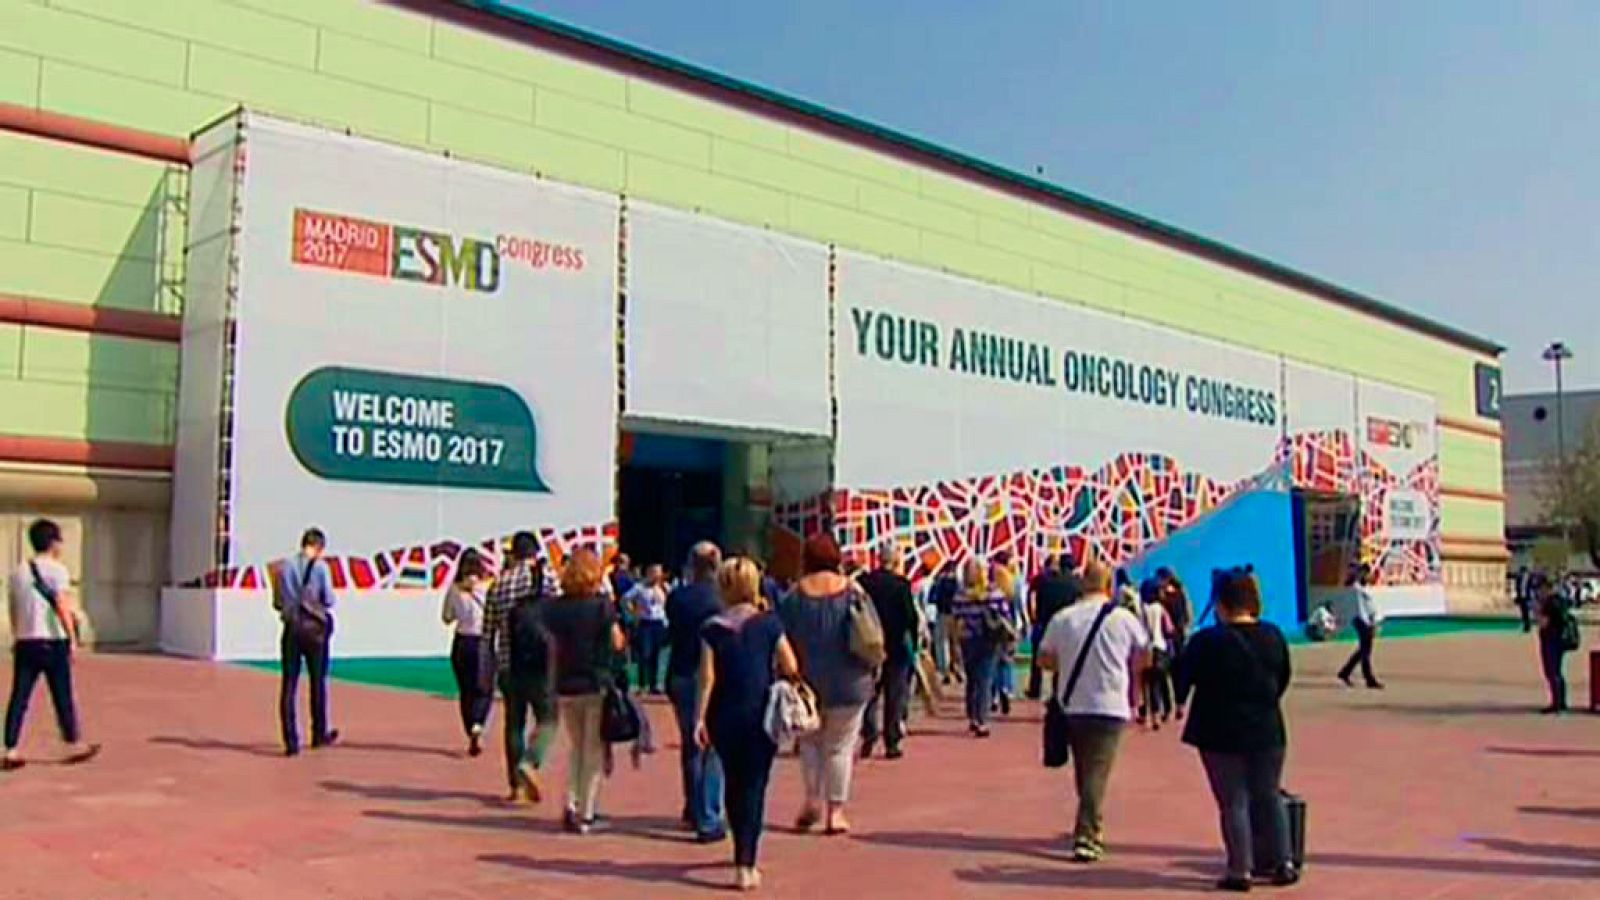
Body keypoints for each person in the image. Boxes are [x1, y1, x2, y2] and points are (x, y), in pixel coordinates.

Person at [1181, 567, 1299, 891]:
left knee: (1233, 801)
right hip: (1267, 728)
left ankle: (1240, 869)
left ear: (1220, 603)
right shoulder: (1273, 635)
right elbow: (1283, 678)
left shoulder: (1206, 641)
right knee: (1269, 795)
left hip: (1219, 731)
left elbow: (1182, 680)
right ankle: (1283, 862)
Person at [695, 557, 802, 891]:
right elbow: (791, 664)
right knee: (755, 785)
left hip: (723, 713)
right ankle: (746, 861)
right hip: (759, 713)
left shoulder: (712, 628)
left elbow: (707, 676)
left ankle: (737, 842)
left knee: (732, 781)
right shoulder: (769, 623)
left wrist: (699, 717)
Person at [1037, 561, 1150, 863]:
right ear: (1108, 585)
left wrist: (1066, 664)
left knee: (1086, 771)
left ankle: (1090, 824)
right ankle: (1087, 834)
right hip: (1110, 704)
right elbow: (1145, 653)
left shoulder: (1064, 618)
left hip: (1073, 703)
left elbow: (1044, 658)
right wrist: (1128, 673)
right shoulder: (1123, 619)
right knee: (1096, 772)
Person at [777, 533, 878, 836]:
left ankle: (811, 800)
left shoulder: (794, 596)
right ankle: (836, 812)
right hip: (850, 681)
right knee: (840, 748)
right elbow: (872, 633)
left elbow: (781, 637)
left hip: (806, 682)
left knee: (809, 744)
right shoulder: (853, 591)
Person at [541, 548, 626, 834]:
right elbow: (617, 642)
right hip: (595, 682)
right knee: (593, 750)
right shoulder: (602, 606)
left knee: (576, 747)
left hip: (565, 683)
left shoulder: (554, 608)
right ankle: (586, 812)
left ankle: (570, 803)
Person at [4, 519, 100, 771]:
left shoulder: (18, 572)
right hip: (52, 639)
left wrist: (17, 633)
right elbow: (61, 603)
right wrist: (72, 637)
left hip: (26, 640)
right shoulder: (57, 570)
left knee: (20, 696)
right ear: (53, 542)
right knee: (62, 694)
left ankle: (10, 747)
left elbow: (13, 608)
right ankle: (73, 743)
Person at [482, 532, 556, 803]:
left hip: (508, 662)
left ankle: (516, 786)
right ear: (535, 552)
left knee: (514, 724)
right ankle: (531, 761)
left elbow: (487, 632)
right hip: (541, 662)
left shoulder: (498, 584)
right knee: (548, 719)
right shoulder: (546, 578)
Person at [666, 542, 728, 841]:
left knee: (690, 742)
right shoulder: (721, 600)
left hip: (679, 672)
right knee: (712, 745)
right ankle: (709, 813)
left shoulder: (677, 597)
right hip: (711, 674)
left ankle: (693, 804)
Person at [272, 527, 339, 757]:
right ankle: (318, 732)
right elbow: (329, 599)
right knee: (317, 681)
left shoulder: (285, 567)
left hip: (291, 628)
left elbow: (278, 602)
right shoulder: (321, 568)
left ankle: (290, 739)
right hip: (314, 632)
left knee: (289, 683)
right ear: (319, 546)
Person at [858, 543, 918, 760]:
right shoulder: (901, 585)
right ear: (894, 561)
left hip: (869, 643)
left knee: (870, 692)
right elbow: (910, 617)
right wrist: (914, 641)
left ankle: (869, 733)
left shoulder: (865, 582)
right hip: (895, 646)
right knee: (895, 694)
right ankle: (891, 740)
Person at [952, 558, 1012, 737]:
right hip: (989, 640)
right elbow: (1005, 614)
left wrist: (955, 640)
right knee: (985, 679)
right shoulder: (994, 593)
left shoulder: (961, 594)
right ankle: (982, 719)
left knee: (972, 679)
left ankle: (972, 715)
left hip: (968, 640)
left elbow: (955, 617)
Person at [441, 548, 491, 756]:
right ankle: (479, 723)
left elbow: (447, 617)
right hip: (483, 641)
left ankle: (470, 725)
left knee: (466, 690)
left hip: (461, 641)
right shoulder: (486, 588)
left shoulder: (454, 589)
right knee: (485, 688)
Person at [1027, 555, 1082, 700]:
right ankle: (1059, 691)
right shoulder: (1077, 585)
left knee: (1037, 660)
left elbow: (1036, 600)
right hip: (1069, 626)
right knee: (1064, 660)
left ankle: (1035, 689)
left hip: (1044, 623)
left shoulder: (1046, 582)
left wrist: (1036, 617)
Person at [1337, 564, 1384, 690]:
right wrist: (1371, 623)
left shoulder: (1358, 589)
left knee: (1363, 650)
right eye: (1367, 573)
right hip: (1363, 621)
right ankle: (1369, 679)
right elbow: (1362, 608)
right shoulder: (1357, 590)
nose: (1369, 576)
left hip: (1362, 621)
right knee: (1366, 652)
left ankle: (1345, 672)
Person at [1137, 578, 1176, 729]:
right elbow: (1169, 628)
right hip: (1159, 647)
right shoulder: (1160, 609)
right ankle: (1159, 713)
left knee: (1146, 683)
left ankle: (1146, 714)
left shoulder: (1141, 609)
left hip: (1144, 648)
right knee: (1158, 682)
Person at [627, 564, 670, 695]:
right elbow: (626, 598)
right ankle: (641, 683)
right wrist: (634, 612)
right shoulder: (640, 588)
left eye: (659, 573)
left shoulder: (664, 587)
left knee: (657, 654)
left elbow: (669, 601)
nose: (657, 576)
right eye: (654, 573)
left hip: (659, 622)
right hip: (646, 622)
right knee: (645, 653)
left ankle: (654, 684)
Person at [1158, 568, 1195, 716]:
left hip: (1169, 637)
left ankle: (1173, 703)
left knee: (1171, 669)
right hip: (1179, 635)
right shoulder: (1181, 593)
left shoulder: (1164, 597)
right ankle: (1180, 702)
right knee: (1179, 669)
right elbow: (1187, 614)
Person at [1536, 581, 1577, 714]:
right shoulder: (1561, 601)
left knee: (1552, 672)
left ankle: (1557, 703)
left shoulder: (1549, 603)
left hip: (1551, 640)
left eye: (1541, 589)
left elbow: (1543, 623)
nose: (1539, 592)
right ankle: (1561, 702)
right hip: (1560, 641)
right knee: (1557, 672)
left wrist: (1538, 612)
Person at [929, 563, 963, 685]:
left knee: (942, 643)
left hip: (942, 614)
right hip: (956, 615)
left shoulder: (939, 582)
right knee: (956, 643)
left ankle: (945, 670)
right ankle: (958, 668)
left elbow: (932, 598)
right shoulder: (958, 584)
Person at [1513, 565, 1533, 633]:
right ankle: (1525, 625)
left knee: (1527, 612)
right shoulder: (1519, 578)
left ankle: (1528, 626)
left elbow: (1532, 587)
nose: (1521, 573)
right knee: (1523, 612)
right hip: (1521, 597)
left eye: (1522, 572)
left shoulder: (1530, 578)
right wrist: (1517, 596)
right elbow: (1517, 587)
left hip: (1527, 597)